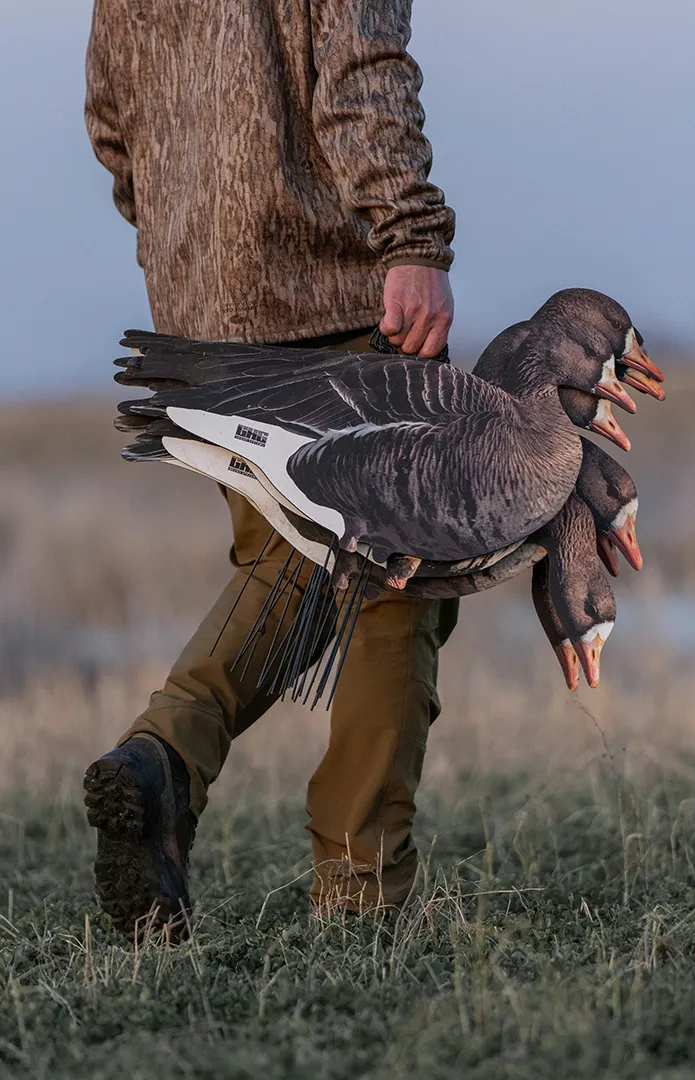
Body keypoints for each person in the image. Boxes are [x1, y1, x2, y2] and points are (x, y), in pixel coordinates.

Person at [82, 0, 460, 935]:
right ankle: (359, 892)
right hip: (331, 286)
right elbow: (361, 67)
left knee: (294, 571)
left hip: (202, 305)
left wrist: (184, 238)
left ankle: (165, 771)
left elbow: (109, 110)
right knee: (393, 580)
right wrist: (410, 237)